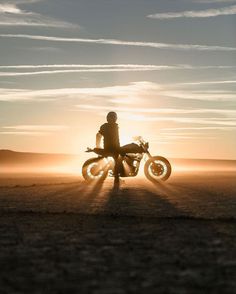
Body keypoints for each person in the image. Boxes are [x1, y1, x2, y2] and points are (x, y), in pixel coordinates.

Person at [96, 111, 121, 184]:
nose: (113, 119)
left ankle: (117, 176)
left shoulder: (114, 126)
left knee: (121, 157)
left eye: (114, 117)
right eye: (111, 117)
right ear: (108, 118)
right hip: (111, 148)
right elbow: (98, 135)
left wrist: (98, 145)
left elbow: (98, 135)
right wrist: (97, 145)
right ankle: (116, 178)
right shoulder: (105, 126)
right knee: (118, 161)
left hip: (114, 147)